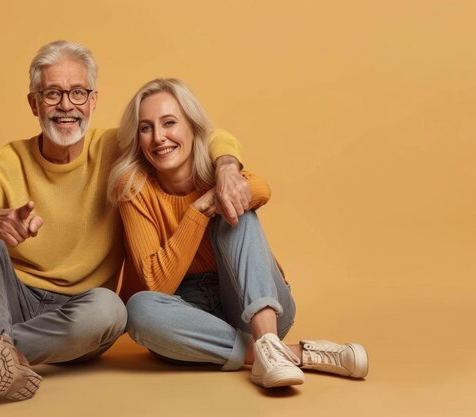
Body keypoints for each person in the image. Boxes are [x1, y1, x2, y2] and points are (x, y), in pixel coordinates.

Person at [0, 42, 247, 401]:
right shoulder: (2, 164)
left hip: (82, 317)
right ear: (34, 103)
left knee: (111, 309)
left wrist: (228, 167)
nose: (65, 106)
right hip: (11, 300)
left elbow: (206, 135)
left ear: (93, 101)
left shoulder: (118, 149)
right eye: (52, 93)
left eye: (77, 92)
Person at [109, 78, 369, 389]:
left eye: (169, 123)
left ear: (191, 127)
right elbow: (156, 283)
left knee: (239, 215)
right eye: (146, 128)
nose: (159, 137)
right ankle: (288, 354)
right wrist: (199, 209)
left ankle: (269, 342)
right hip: (189, 323)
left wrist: (225, 170)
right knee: (138, 309)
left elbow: (260, 189)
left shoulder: (217, 171)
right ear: (137, 138)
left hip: (253, 300)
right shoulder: (133, 188)